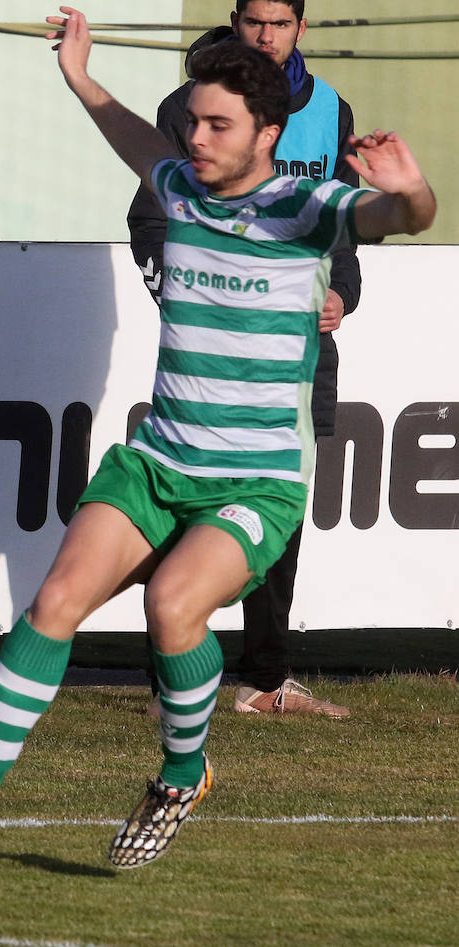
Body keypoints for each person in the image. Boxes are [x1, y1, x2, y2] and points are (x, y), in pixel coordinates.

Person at [0, 7, 435, 869]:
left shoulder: (309, 205)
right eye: (194, 122)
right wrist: (78, 77)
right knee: (55, 601)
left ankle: (181, 775)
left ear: (269, 132)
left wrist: (411, 188)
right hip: (161, 460)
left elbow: (406, 219)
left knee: (172, 605)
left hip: (256, 482)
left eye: (219, 124)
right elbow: (129, 136)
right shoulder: (179, 184)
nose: (199, 137)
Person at [128, 0, 357, 718]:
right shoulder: (186, 106)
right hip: (213, 357)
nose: (265, 36)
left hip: (298, 355)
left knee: (278, 515)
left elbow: (341, 222)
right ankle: (173, 665)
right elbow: (150, 219)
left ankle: (267, 679)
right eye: (254, 21)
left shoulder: (333, 110)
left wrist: (342, 297)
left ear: (300, 29)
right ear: (235, 22)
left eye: (280, 23)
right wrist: (193, 295)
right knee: (180, 509)